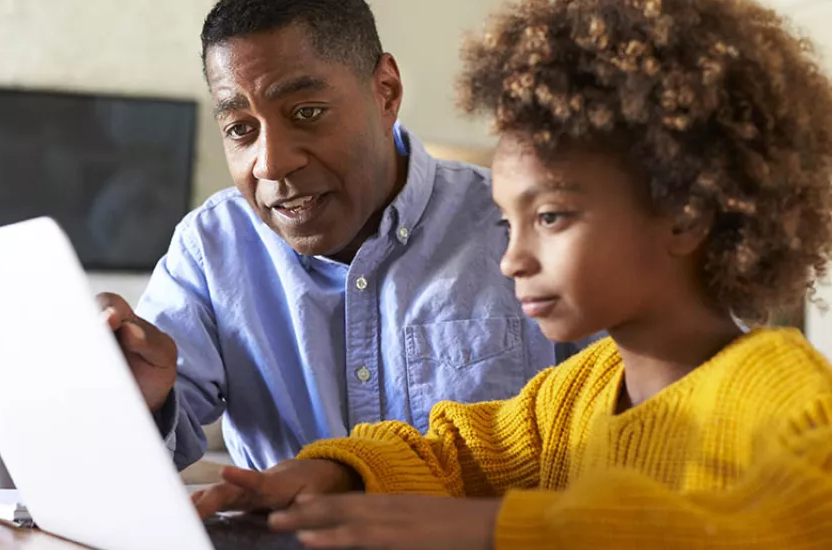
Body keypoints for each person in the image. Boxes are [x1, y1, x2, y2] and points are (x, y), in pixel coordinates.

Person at [191, 0, 832, 547]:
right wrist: (339, 474)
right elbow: (454, 452)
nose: (511, 260)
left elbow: (778, 525)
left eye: (550, 217)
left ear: (684, 215)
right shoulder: (577, 393)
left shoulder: (783, 390)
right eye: (507, 221)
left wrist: (491, 529)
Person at [98, 0, 592, 472]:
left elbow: (625, 419)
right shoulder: (211, 249)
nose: (271, 162)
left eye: (307, 113)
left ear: (386, 93)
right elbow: (138, 454)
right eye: (241, 129)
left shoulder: (517, 228)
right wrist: (141, 400)